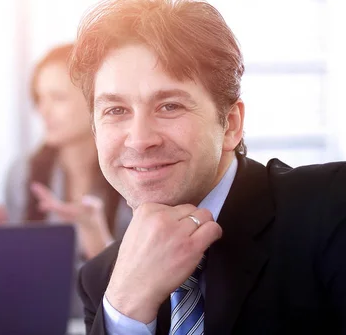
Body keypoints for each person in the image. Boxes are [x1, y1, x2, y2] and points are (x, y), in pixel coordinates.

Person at [68, 0, 346, 334]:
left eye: (169, 106)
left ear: (230, 124)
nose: (140, 140)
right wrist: (125, 310)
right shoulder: (102, 281)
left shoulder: (332, 206)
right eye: (115, 111)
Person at [0, 43, 132, 317]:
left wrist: (97, 241)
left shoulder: (136, 171)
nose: (43, 111)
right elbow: (13, 285)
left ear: (98, 99)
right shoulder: (23, 174)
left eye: (58, 98)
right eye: (39, 99)